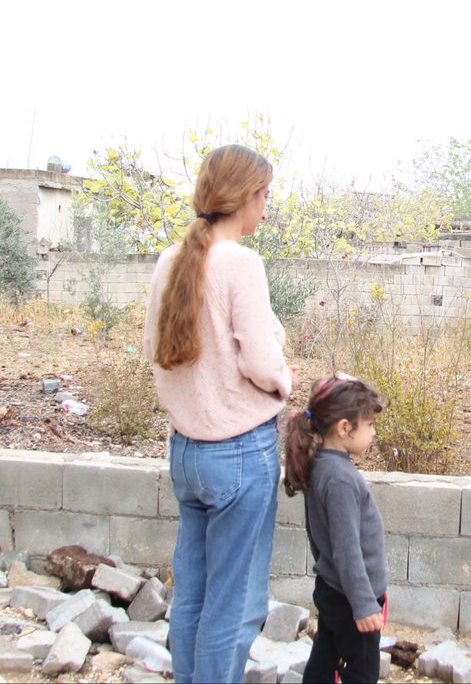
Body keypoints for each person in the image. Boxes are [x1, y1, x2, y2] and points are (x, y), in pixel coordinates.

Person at [142, 145, 293, 684]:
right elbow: (261, 362)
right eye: (264, 196)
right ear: (245, 198)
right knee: (238, 605)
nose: (266, 209)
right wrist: (285, 380)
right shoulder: (241, 264)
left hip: (186, 453)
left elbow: (154, 352)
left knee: (193, 597)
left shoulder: (170, 260)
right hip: (238, 452)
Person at [283, 373, 388, 684]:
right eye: (369, 425)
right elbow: (346, 551)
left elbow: (322, 540)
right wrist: (365, 604)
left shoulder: (321, 466)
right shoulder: (339, 479)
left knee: (325, 656)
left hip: (334, 590)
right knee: (363, 670)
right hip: (351, 598)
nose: (373, 432)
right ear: (344, 428)